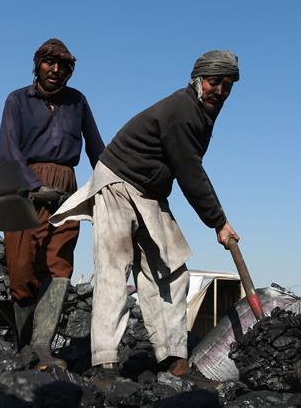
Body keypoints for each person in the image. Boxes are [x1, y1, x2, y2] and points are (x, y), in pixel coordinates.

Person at [49, 50, 241, 379]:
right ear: (197, 81)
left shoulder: (203, 115)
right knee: (114, 267)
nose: (220, 90)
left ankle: (172, 357)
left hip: (150, 193)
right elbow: (190, 173)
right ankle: (105, 361)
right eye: (214, 82)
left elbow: (185, 169)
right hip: (118, 182)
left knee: (170, 271)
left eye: (227, 85)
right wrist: (218, 222)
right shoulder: (181, 110)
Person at [0, 38, 104, 368]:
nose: (56, 70)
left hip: (67, 186)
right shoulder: (17, 100)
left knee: (59, 263)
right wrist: (33, 185)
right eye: (49, 63)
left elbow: (96, 148)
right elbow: (8, 149)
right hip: (25, 184)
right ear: (37, 65)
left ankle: (42, 346)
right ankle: (22, 344)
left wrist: (108, 184)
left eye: (63, 66)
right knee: (21, 264)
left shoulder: (78, 102)